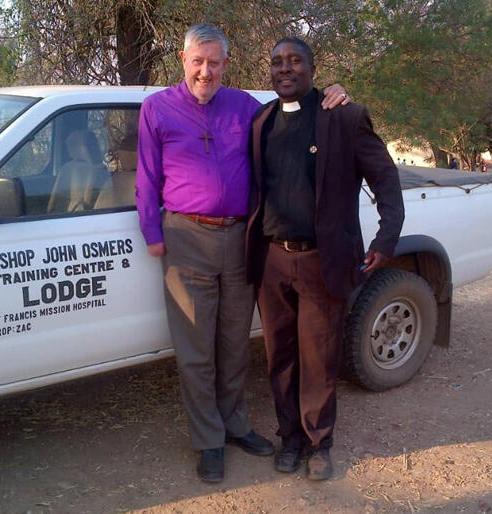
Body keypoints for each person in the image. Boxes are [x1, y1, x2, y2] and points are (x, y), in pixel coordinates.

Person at [135, 24, 349, 483]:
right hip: (184, 238)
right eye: (198, 62)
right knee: (196, 350)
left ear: (225, 64)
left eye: (214, 63)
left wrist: (336, 93)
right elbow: (146, 177)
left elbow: (296, 116)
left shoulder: (248, 108)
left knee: (234, 345)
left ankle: (235, 425)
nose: (205, 71)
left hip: (239, 238)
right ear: (184, 60)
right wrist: (152, 232)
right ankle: (208, 438)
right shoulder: (156, 108)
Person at [245, 37, 405, 481]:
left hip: (321, 261)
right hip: (272, 261)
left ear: (313, 69)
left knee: (319, 359)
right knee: (280, 357)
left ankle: (320, 443)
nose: (285, 69)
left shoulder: (344, 117)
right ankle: (290, 438)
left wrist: (386, 238)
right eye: (277, 62)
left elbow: (386, 179)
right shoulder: (262, 121)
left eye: (294, 61)